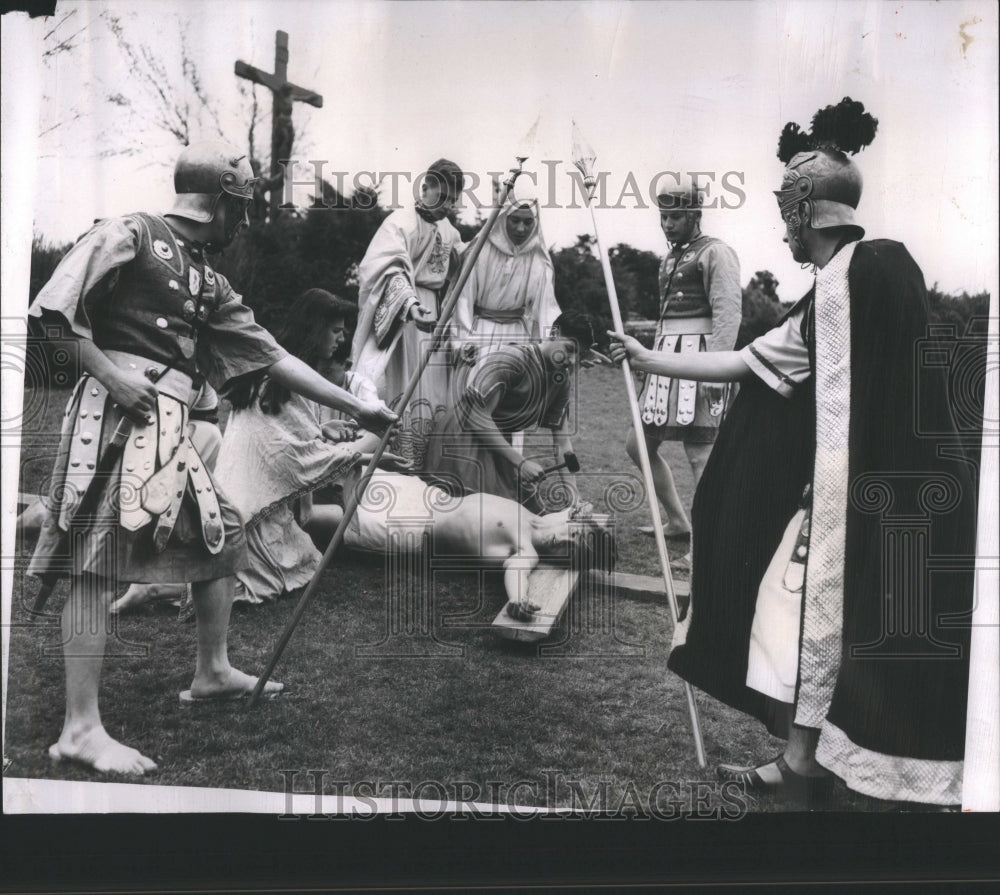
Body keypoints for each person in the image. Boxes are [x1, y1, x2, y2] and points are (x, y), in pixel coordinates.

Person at [608, 99, 975, 807]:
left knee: (824, 621)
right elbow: (745, 363)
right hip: (832, 500)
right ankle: (800, 755)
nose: (785, 229)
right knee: (781, 614)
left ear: (808, 208)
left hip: (881, 500)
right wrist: (646, 354)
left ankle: (826, 761)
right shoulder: (820, 301)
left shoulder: (873, 275)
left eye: (788, 210)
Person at [25, 141, 396, 775]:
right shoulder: (131, 233)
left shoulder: (207, 277)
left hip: (174, 424)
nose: (242, 223)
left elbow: (272, 355)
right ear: (220, 201)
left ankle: (212, 671)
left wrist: (358, 409)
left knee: (221, 535)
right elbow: (53, 312)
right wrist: (111, 376)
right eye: (240, 210)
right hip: (117, 414)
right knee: (96, 564)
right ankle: (79, 729)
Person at [216, 289, 378, 604]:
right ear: (313, 330)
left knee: (307, 560)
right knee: (278, 573)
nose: (339, 339)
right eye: (334, 331)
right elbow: (293, 458)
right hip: (247, 513)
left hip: (253, 503)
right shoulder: (276, 382)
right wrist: (371, 457)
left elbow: (282, 438)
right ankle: (158, 588)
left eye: (342, 332)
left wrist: (321, 430)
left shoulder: (274, 377)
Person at [300, 470, 615, 619]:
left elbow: (516, 573)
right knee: (350, 473)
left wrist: (518, 600)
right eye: (570, 534)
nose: (560, 540)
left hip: (414, 528)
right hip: (424, 495)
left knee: (338, 518)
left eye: (567, 550)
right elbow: (576, 513)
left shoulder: (526, 551)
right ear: (567, 518)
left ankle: (289, 520)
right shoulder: (534, 516)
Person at [628, 176, 741, 561]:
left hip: (701, 359)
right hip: (666, 361)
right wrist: (648, 362)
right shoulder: (670, 257)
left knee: (700, 455)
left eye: (675, 217)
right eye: (663, 217)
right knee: (638, 445)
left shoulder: (717, 253)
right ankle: (678, 521)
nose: (667, 225)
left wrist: (718, 369)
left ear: (694, 214)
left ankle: (708, 540)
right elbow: (664, 318)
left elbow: (728, 314)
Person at [351, 159, 467, 470]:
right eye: (441, 196)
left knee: (434, 394)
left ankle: (429, 466)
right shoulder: (399, 224)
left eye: (453, 199)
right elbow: (387, 271)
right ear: (424, 187)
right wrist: (412, 306)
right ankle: (393, 464)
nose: (447, 204)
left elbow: (461, 270)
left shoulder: (450, 230)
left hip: (435, 323)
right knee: (403, 389)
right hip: (403, 321)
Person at [424, 311, 599, 514]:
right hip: (462, 437)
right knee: (478, 520)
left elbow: (562, 444)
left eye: (580, 355)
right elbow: (476, 416)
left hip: (496, 442)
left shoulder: (561, 381)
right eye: (569, 349)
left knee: (521, 518)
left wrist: (573, 497)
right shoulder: (512, 358)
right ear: (553, 333)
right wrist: (520, 462)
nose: (572, 359)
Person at [452, 180, 561, 356]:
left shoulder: (539, 260)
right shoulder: (480, 251)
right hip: (479, 334)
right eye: (515, 220)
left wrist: (559, 344)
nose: (520, 229)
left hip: (518, 337)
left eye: (527, 222)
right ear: (504, 218)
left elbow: (546, 309)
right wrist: (463, 343)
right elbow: (463, 299)